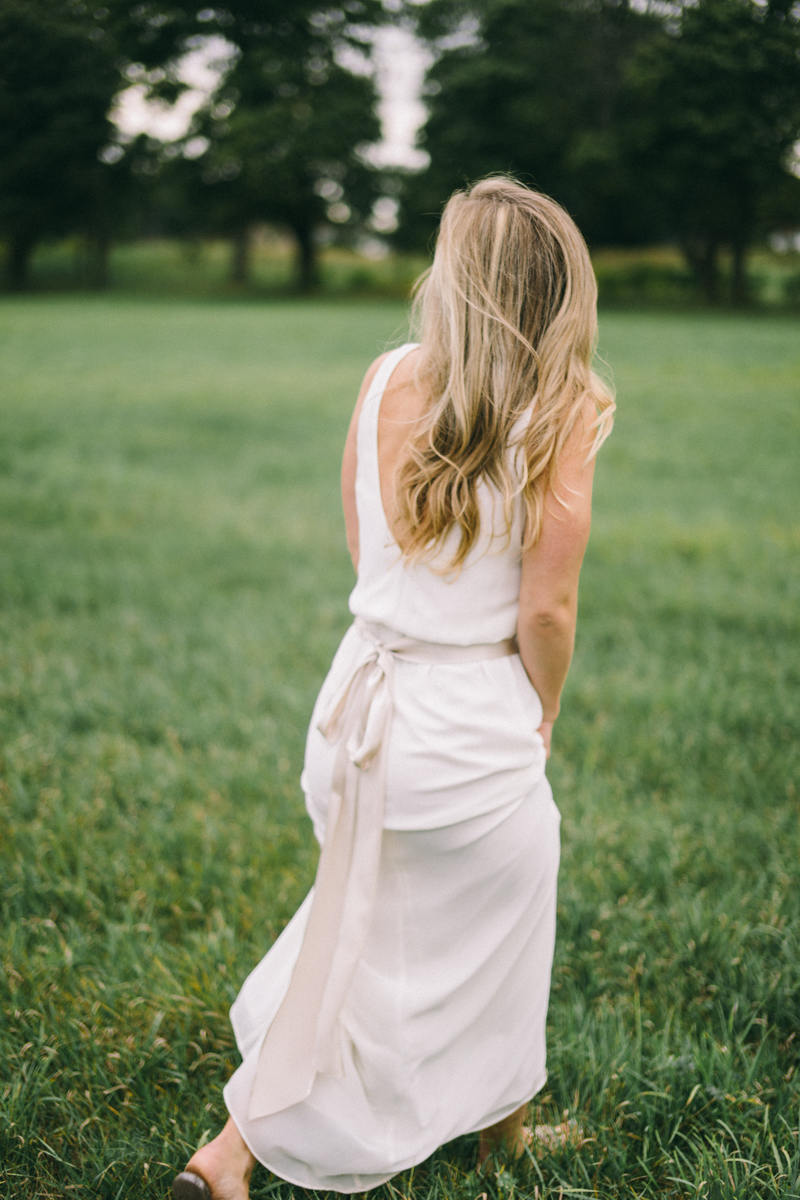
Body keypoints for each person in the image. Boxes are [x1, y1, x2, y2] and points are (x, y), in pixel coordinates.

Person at [173, 175, 614, 1200]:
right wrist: (542, 708)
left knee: (376, 924)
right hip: (459, 733)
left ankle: (495, 1127)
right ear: (558, 290)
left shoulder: (382, 378)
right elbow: (545, 613)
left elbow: (363, 543)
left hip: (353, 711)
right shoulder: (562, 411)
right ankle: (234, 1151)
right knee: (432, 933)